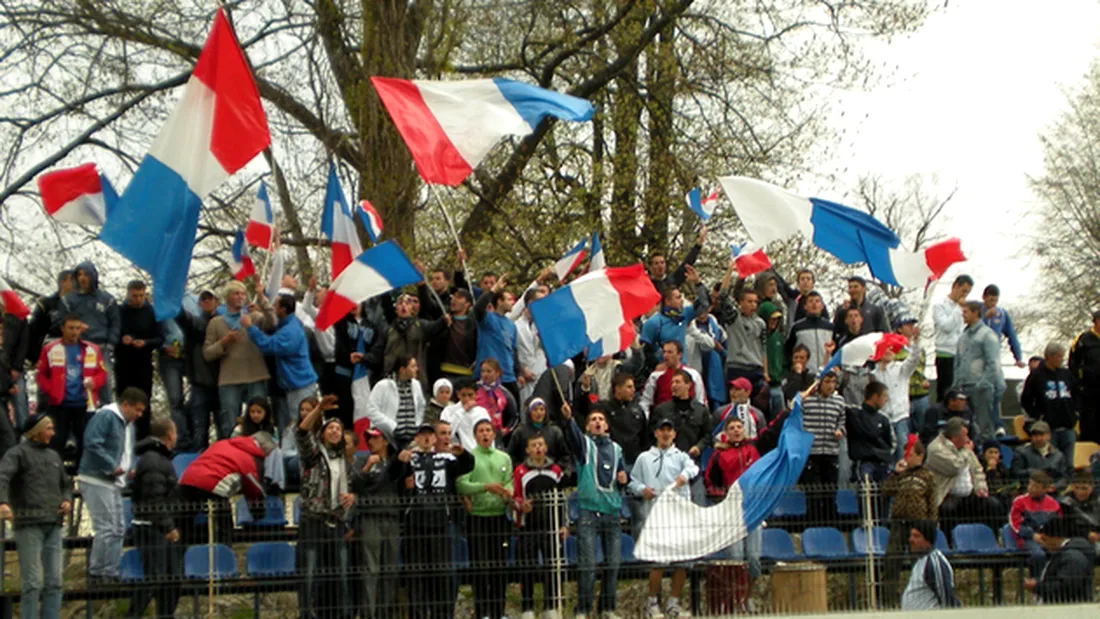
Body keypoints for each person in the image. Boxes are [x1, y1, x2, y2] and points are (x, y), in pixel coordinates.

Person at [561, 402, 630, 619]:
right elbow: (573, 436)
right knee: (587, 565)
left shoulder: (617, 449)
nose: (597, 422)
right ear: (587, 427)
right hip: (588, 512)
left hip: (611, 512)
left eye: (601, 419)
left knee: (613, 564)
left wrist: (623, 479)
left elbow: (622, 476)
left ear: (606, 425)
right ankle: (582, 608)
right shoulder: (584, 446)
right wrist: (568, 419)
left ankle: (608, 608)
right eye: (593, 420)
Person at [0, 414, 72, 618]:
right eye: (48, 428)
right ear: (37, 431)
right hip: (28, 524)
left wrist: (67, 499)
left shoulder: (54, 456)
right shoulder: (17, 454)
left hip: (54, 523)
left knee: (55, 581)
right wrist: (3, 502)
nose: (53, 432)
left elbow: (65, 483)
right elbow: (2, 476)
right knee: (32, 583)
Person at [401, 422, 474, 619]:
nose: (426, 438)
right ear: (416, 438)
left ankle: (441, 614)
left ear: (434, 439)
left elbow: (467, 466)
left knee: (441, 575)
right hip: (414, 524)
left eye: (430, 435)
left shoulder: (447, 459)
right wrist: (401, 466)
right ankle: (417, 614)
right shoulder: (409, 458)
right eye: (422, 435)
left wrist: (463, 453)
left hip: (441, 523)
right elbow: (394, 477)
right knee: (416, 576)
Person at [630, 419, 698, 619]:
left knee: (682, 563)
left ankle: (673, 603)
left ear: (674, 434)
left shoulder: (681, 456)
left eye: (669, 430)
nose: (666, 434)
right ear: (656, 433)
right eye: (662, 430)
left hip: (680, 516)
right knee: (658, 562)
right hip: (657, 516)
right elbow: (633, 481)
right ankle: (652, 603)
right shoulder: (644, 458)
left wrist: (682, 477)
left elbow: (693, 469)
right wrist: (642, 490)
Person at [296, 395, 354, 619]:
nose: (334, 431)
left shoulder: (345, 460)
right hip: (313, 518)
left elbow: (355, 487)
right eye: (330, 428)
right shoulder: (313, 456)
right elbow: (301, 433)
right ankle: (305, 614)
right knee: (309, 571)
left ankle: (341, 613)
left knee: (339, 572)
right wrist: (319, 409)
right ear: (322, 433)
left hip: (336, 520)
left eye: (338, 429)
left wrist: (353, 497)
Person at [78, 387, 146, 583]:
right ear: (126, 405)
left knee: (118, 528)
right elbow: (92, 442)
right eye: (137, 410)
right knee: (106, 527)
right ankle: (97, 571)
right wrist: (110, 465)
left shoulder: (127, 425)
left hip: (114, 482)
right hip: (96, 478)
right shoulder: (106, 417)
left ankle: (111, 570)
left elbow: (126, 451)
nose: (139, 415)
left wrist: (129, 467)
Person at [457, 419, 514, 619]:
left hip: (499, 518)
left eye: (488, 430)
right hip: (478, 518)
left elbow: (510, 483)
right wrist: (485, 487)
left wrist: (507, 493)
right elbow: (462, 485)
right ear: (475, 435)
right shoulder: (470, 458)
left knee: (499, 567)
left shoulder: (504, 458)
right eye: (480, 431)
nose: (485, 434)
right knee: (481, 567)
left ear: (494, 434)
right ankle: (482, 613)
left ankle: (498, 612)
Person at [203, 281, 275, 440]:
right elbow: (207, 353)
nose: (240, 297)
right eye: (236, 293)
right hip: (229, 378)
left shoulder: (254, 317)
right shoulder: (216, 322)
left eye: (242, 293)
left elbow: (272, 322)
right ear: (227, 297)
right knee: (229, 422)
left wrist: (262, 298)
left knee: (259, 421)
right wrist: (224, 341)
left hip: (256, 375)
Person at [126, 417, 182, 619]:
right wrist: (169, 527)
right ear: (169, 435)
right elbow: (154, 499)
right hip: (151, 527)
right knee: (155, 578)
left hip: (159, 526)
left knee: (172, 580)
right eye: (175, 432)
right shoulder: (153, 460)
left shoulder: (160, 459)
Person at [35, 313, 108, 464]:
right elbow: (41, 375)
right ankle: (56, 475)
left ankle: (80, 476)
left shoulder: (92, 349)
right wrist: (52, 391)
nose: (74, 332)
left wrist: (94, 382)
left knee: (86, 443)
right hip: (59, 405)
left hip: (84, 404)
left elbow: (102, 374)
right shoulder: (50, 349)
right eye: (70, 328)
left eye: (77, 328)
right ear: (62, 328)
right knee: (55, 443)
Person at [178, 432, 276, 543]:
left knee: (183, 522)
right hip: (213, 484)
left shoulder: (224, 443)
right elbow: (254, 490)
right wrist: (258, 514)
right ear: (263, 449)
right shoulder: (250, 460)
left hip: (188, 478)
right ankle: (225, 551)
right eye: (267, 454)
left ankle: (179, 553)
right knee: (224, 525)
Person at [705, 416, 761, 608]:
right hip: (731, 512)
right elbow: (710, 483)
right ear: (726, 433)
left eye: (739, 427)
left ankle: (749, 596)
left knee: (753, 558)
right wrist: (724, 497)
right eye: (732, 428)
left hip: (753, 510)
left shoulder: (753, 450)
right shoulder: (719, 456)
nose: (736, 430)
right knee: (736, 558)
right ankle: (737, 598)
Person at [350, 427, 404, 619]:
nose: (371, 442)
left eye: (375, 438)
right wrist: (366, 469)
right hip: (369, 517)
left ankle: (385, 613)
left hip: (392, 518)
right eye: (368, 439)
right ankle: (368, 614)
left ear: (386, 441)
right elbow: (354, 486)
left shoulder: (396, 462)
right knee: (370, 569)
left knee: (390, 569)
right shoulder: (361, 460)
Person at [244, 293, 319, 431]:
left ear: (283, 309)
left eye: (276, 305)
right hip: (296, 384)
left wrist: (250, 328)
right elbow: (272, 320)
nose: (273, 308)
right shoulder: (289, 323)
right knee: (295, 422)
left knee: (301, 423)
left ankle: (301, 451)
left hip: (300, 385)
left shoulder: (290, 331)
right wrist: (261, 304)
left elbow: (269, 345)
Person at [925, 417, 1003, 542]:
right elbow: (954, 467)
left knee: (993, 505)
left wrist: (981, 487)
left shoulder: (965, 448)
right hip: (946, 494)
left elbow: (977, 470)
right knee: (947, 510)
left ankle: (992, 540)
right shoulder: (936, 448)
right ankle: (949, 544)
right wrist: (967, 452)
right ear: (955, 437)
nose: (968, 439)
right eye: (965, 435)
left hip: (969, 494)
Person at [881, 438, 937, 608]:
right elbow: (887, 490)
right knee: (892, 562)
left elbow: (932, 502)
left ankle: (920, 600)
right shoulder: (902, 474)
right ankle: (889, 601)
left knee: (917, 563)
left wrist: (931, 524)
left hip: (917, 525)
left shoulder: (927, 476)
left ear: (920, 456)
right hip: (899, 523)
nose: (907, 458)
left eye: (911, 455)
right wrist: (896, 473)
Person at [651, 370, 711, 503]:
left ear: (688, 385)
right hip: (666, 466)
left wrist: (699, 447)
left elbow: (708, 435)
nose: (673, 385)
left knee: (698, 504)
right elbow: (651, 435)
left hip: (693, 464)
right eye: (672, 382)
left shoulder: (701, 410)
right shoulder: (661, 410)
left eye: (677, 382)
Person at [63, 261, 119, 403]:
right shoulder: (69, 300)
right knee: (78, 385)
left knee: (105, 386)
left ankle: (106, 417)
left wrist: (110, 344)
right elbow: (62, 321)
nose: (82, 278)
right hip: (78, 347)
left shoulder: (107, 299)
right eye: (79, 274)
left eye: (86, 274)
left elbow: (115, 323)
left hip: (101, 348)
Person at [176, 290, 221, 452]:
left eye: (211, 299)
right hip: (200, 382)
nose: (207, 302)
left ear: (217, 302)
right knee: (199, 431)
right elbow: (182, 318)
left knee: (223, 430)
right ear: (199, 303)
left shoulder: (225, 323)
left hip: (221, 383)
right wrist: (173, 299)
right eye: (204, 299)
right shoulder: (195, 323)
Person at [116, 280, 161, 440]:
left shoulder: (151, 312)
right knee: (124, 400)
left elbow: (159, 338)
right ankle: (121, 436)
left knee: (144, 401)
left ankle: (142, 439)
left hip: (144, 363)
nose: (138, 299)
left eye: (141, 296)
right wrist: (122, 339)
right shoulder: (119, 311)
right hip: (123, 363)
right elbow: (113, 333)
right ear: (128, 294)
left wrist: (146, 343)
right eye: (134, 296)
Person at [798, 371, 846, 522]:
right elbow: (796, 415)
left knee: (830, 490)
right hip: (812, 452)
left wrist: (840, 430)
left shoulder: (839, 401)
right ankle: (813, 522)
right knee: (813, 492)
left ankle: (830, 523)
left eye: (833, 382)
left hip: (831, 451)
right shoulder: (807, 400)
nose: (830, 385)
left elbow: (842, 421)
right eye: (827, 382)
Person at [1020, 342, 1077, 468]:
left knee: (1068, 463)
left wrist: (1076, 412)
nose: (1060, 360)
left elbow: (1076, 393)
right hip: (1049, 428)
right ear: (1048, 357)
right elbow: (1026, 399)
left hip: (1067, 426)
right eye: (1058, 357)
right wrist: (1037, 415)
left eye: (1062, 357)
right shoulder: (1036, 375)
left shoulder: (1066, 374)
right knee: (1051, 464)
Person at [640, 266, 708, 365]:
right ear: (667, 301)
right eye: (678, 298)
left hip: (681, 368)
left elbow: (704, 304)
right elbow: (645, 351)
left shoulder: (684, 314)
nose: (681, 301)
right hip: (661, 370)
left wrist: (698, 283)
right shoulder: (653, 322)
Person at [981, 284, 1025, 436]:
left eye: (995, 301)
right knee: (982, 391)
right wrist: (984, 317)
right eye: (990, 300)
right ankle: (985, 424)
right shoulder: (977, 311)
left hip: (994, 358)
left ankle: (996, 423)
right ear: (984, 298)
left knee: (999, 388)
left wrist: (1018, 356)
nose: (993, 304)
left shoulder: (1002, 314)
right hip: (978, 359)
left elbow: (1011, 335)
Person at [953, 300, 1000, 442]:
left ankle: (988, 459)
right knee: (966, 428)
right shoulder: (962, 337)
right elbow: (958, 362)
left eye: (966, 312)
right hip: (963, 388)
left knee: (984, 427)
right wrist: (955, 385)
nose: (963, 315)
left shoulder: (987, 335)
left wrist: (983, 383)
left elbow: (993, 363)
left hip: (980, 389)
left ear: (976, 313)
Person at [871, 331, 921, 461]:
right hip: (883, 418)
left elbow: (914, 360)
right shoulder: (873, 374)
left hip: (900, 417)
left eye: (891, 348)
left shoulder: (900, 368)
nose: (889, 351)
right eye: (886, 348)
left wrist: (915, 343)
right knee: (885, 451)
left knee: (902, 450)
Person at [715, 269, 768, 388]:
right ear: (741, 303)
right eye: (749, 302)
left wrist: (765, 371)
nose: (753, 305)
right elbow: (723, 295)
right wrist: (729, 271)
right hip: (737, 367)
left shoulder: (760, 323)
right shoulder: (734, 317)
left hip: (756, 368)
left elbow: (763, 348)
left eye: (755, 302)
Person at [1025, 516, 1095, 603]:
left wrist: (1037, 587)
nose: (1043, 545)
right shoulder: (1067, 554)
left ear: (1051, 538)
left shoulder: (1072, 557)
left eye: (1043, 539)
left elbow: (1066, 588)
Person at [473, 277, 521, 402]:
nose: (513, 303)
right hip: (488, 378)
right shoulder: (488, 319)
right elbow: (478, 308)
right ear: (499, 301)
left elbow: (513, 352)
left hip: (509, 377)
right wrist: (493, 290)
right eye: (509, 299)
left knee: (514, 416)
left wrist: (518, 373)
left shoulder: (512, 325)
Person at [364, 354, 426, 449]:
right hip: (389, 439)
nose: (417, 369)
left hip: (411, 440)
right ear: (402, 369)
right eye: (413, 366)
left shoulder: (416, 385)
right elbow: (371, 410)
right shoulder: (383, 385)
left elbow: (421, 406)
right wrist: (392, 426)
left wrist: (417, 424)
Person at [1008, 470, 1062, 576]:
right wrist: (1032, 535)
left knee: (1063, 553)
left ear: (1045, 489)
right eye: (1030, 485)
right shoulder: (1019, 501)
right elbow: (1015, 524)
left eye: (1036, 487)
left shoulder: (1054, 504)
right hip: (1026, 538)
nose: (1031, 488)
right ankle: (1037, 584)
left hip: (1048, 537)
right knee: (1038, 555)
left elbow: (1059, 524)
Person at [900, 520, 960, 610]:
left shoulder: (934, 562)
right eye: (911, 535)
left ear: (928, 541)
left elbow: (947, 598)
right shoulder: (921, 561)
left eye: (916, 536)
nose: (911, 540)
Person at [639, 341, 706, 416]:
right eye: (664, 352)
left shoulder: (693, 374)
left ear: (679, 354)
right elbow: (645, 402)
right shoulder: (655, 376)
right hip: (663, 421)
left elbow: (700, 401)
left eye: (670, 352)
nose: (665, 355)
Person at [932, 275, 972, 402]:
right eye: (963, 291)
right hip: (945, 353)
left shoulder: (963, 309)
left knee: (959, 392)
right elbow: (946, 326)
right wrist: (958, 309)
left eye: (967, 292)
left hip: (960, 353)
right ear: (955, 286)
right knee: (945, 391)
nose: (964, 295)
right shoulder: (939, 305)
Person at [598, 374, 651, 468]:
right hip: (612, 461)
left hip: (635, 462)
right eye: (629, 387)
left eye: (633, 387)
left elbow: (645, 439)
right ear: (618, 388)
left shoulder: (638, 410)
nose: (633, 390)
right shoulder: (604, 408)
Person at [509, 397, 569, 467]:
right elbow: (510, 456)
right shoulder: (519, 432)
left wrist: (555, 469)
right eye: (535, 409)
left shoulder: (555, 432)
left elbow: (565, 456)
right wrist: (521, 469)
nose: (539, 412)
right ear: (529, 412)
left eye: (542, 409)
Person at [1011, 421, 1070, 490]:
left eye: (1041, 435)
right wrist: (1030, 472)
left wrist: (1055, 486)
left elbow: (1064, 479)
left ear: (1049, 436)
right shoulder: (1021, 452)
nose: (1038, 438)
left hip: (1051, 493)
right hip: (1028, 492)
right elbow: (1014, 473)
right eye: (1035, 435)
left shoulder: (1058, 455)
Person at [784, 291, 833, 373]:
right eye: (810, 301)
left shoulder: (830, 327)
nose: (814, 304)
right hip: (805, 374)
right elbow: (788, 350)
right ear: (805, 306)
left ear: (822, 306)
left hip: (826, 373)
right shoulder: (797, 327)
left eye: (817, 301)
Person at [1070, 310, 1100, 443]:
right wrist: (1078, 384)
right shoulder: (1083, 339)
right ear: (1096, 321)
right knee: (1089, 424)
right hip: (1089, 390)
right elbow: (1073, 363)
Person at [440, 378, 492, 452]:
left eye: (470, 395)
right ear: (458, 394)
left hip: (479, 453)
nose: (467, 398)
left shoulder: (482, 412)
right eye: (463, 395)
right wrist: (462, 410)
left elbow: (489, 435)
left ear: (476, 394)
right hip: (458, 453)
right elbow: (447, 434)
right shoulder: (449, 411)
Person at [647, 229, 705, 293]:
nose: (660, 266)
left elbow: (687, 264)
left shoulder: (672, 280)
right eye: (656, 263)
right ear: (650, 267)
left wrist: (699, 244)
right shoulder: (647, 284)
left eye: (662, 262)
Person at [1, 299, 29, 433]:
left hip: (14, 370)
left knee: (20, 406)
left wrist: (17, 367)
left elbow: (23, 343)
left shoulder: (18, 317)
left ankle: (24, 437)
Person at [476, 357, 519, 443]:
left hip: (496, 436)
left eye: (489, 371)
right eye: (483, 371)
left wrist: (505, 430)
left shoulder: (505, 393)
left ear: (497, 373)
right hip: (476, 434)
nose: (485, 374)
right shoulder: (474, 390)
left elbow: (514, 416)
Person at [1059, 469, 1100, 549]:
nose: (1080, 492)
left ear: (1091, 487)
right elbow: (1067, 527)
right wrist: (1087, 534)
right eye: (1076, 488)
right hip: (1077, 539)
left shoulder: (1098, 499)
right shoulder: (1066, 502)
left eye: (1084, 488)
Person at [759, 301, 786, 416]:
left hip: (777, 384)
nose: (774, 322)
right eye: (772, 319)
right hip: (761, 383)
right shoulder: (757, 337)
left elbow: (782, 359)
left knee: (779, 416)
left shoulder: (778, 337)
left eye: (776, 319)